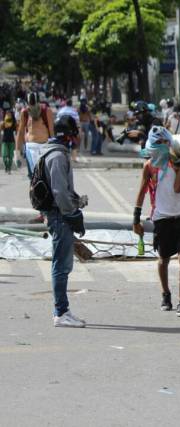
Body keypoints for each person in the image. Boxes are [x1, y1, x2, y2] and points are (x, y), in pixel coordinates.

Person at [133, 126, 180, 317]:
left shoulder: (176, 162)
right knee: (163, 259)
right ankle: (165, 293)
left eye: (165, 142)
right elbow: (142, 191)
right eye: (157, 143)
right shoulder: (150, 166)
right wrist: (135, 218)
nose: (162, 146)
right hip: (162, 217)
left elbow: (178, 188)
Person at [40, 115, 88, 327]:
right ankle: (61, 312)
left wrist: (76, 201)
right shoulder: (57, 157)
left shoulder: (51, 152)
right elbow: (59, 192)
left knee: (62, 264)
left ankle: (63, 310)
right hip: (59, 217)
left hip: (58, 214)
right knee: (61, 265)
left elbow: (62, 190)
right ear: (67, 135)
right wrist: (73, 215)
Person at [16, 92, 54, 179]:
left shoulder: (46, 111)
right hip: (30, 148)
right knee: (32, 177)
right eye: (30, 105)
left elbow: (51, 131)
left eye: (34, 104)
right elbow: (20, 132)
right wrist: (17, 153)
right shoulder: (24, 112)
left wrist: (53, 148)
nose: (32, 107)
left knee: (46, 176)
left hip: (45, 147)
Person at [2, 108, 17, 174]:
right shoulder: (3, 122)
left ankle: (9, 169)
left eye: (9, 113)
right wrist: (3, 123)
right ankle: (6, 166)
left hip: (11, 141)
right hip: (4, 141)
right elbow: (1, 128)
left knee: (11, 156)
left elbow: (17, 129)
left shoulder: (14, 123)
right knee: (4, 156)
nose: (8, 114)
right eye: (7, 113)